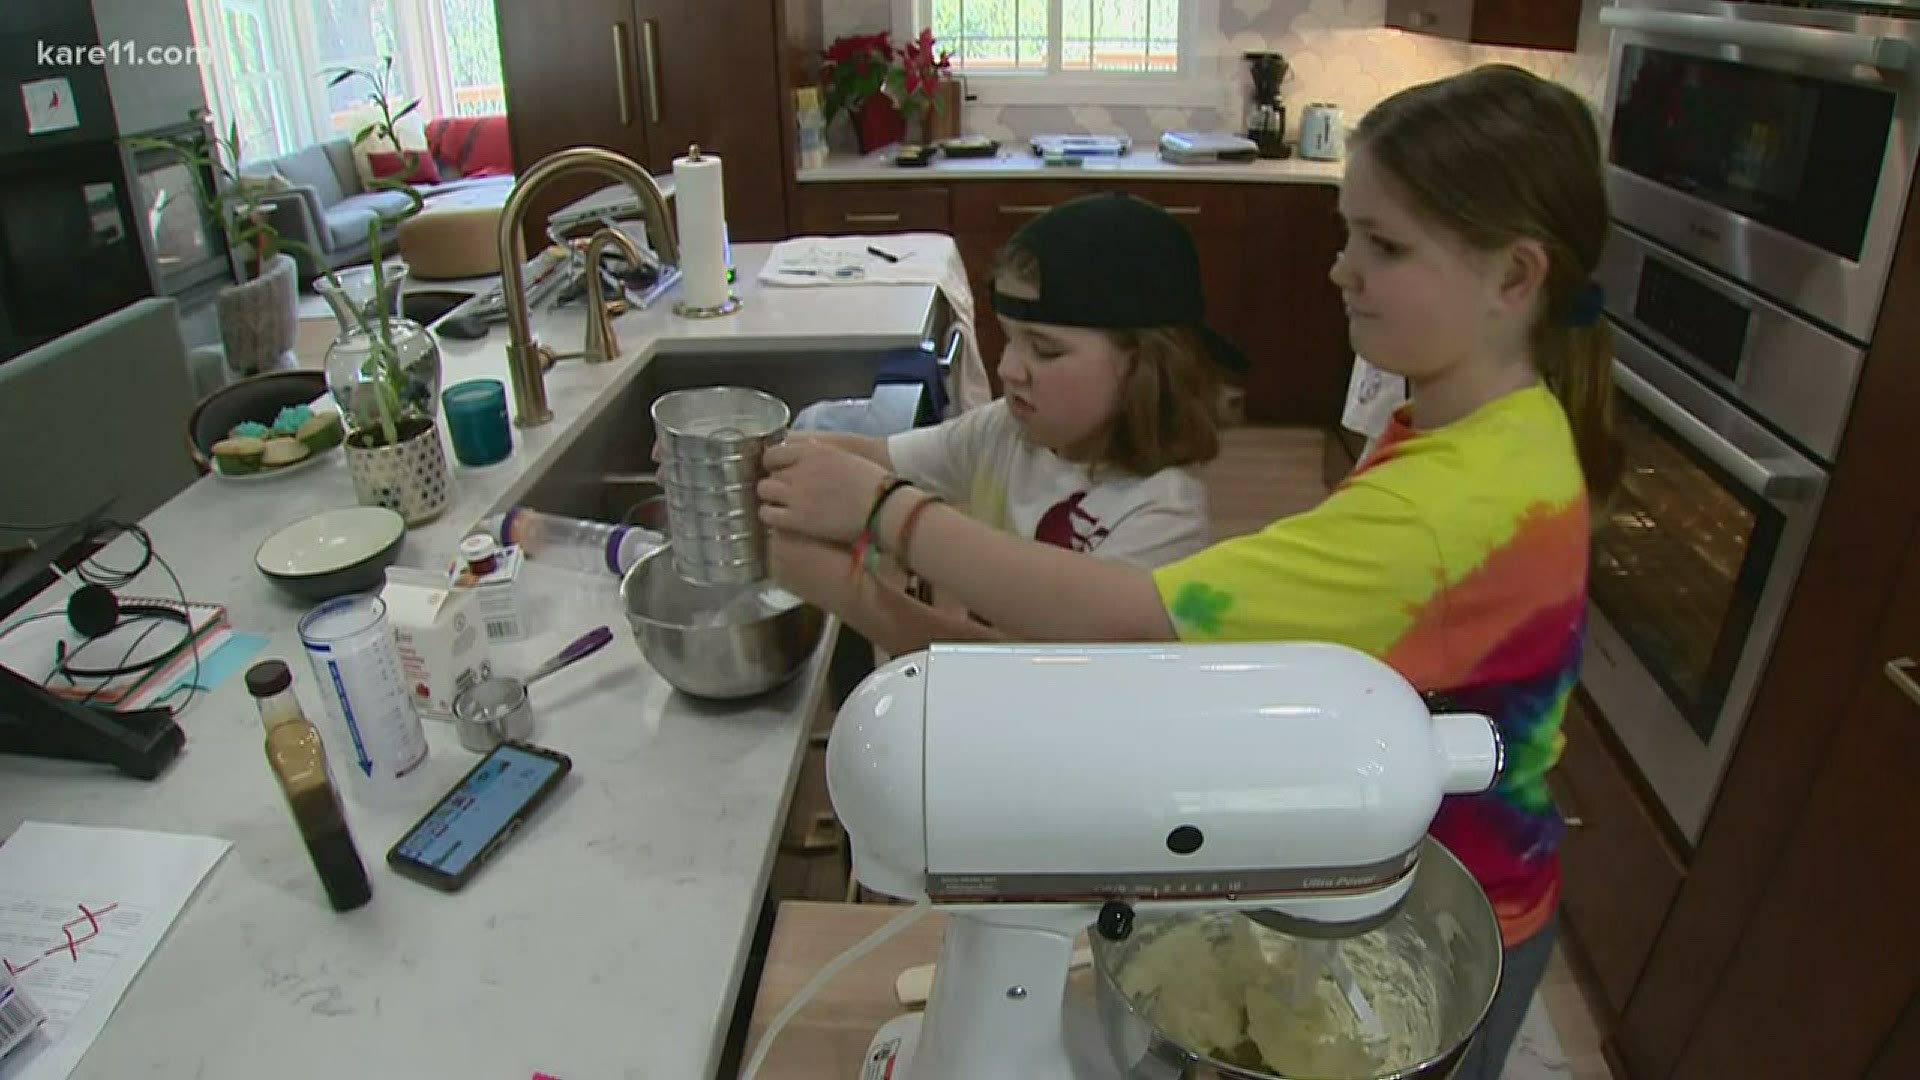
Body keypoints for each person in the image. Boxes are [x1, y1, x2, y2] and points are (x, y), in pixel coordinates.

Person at [757, 64, 1618, 1078]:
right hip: (1417, 864)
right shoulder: (1475, 425)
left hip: (1428, 911)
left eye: (1383, 246)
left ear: (1514, 279)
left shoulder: (1457, 503)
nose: (1341, 269)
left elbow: (1134, 623)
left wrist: (885, 518)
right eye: (1349, 233)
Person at [767, 191, 1243, 656]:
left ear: (1146, 366)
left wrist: (855, 594)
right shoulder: (1006, 430)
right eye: (1009, 339)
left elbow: (1021, 682)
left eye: (1045, 349)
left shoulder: (1165, 518)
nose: (1008, 368)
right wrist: (761, 455)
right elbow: (878, 458)